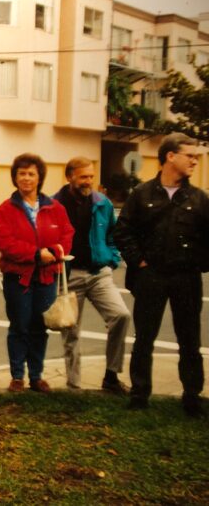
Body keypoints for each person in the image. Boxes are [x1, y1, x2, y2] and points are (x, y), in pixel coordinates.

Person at [113, 133, 209, 417]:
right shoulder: (142, 194)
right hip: (151, 277)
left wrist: (199, 263)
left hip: (186, 278)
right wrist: (139, 262)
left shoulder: (199, 199)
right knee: (144, 338)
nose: (195, 160)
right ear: (170, 156)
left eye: (196, 156)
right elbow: (123, 231)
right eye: (189, 155)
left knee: (189, 340)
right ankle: (139, 395)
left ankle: (192, 397)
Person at [0, 153, 74, 393]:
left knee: (40, 326)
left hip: (47, 276)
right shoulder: (5, 210)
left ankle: (36, 376)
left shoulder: (55, 208)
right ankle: (17, 376)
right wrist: (36, 254)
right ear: (15, 178)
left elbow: (67, 235)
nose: (26, 178)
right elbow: (6, 243)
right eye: (22, 174)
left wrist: (56, 251)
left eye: (31, 174)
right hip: (18, 277)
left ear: (39, 177)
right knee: (19, 325)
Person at [53, 157, 131, 393]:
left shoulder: (102, 203)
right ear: (69, 177)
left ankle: (111, 376)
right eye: (83, 177)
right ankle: (74, 385)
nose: (88, 181)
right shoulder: (55, 204)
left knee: (121, 315)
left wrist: (112, 257)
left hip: (98, 273)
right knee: (71, 332)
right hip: (70, 275)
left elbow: (112, 234)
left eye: (91, 176)